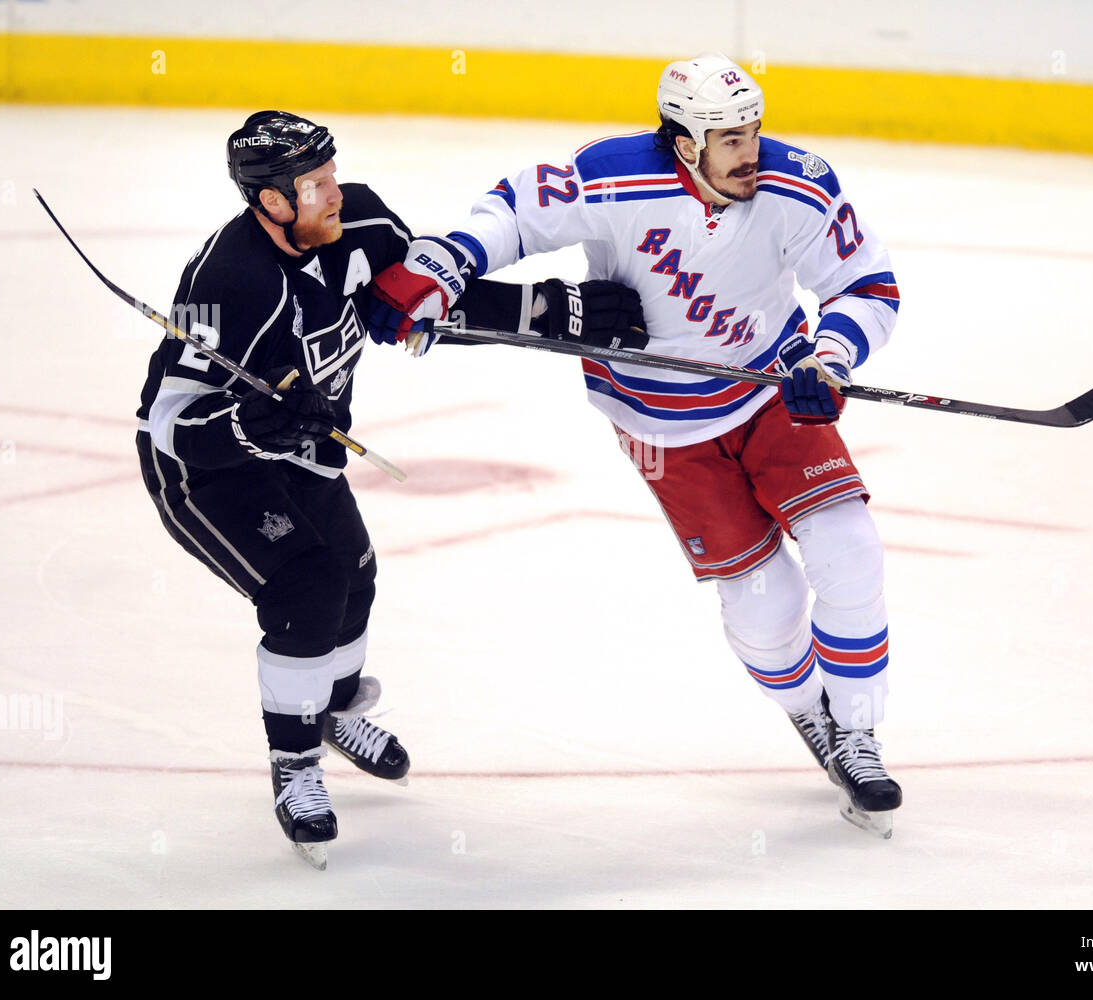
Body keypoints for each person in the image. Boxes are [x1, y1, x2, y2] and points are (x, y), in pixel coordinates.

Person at [368, 55, 904, 837]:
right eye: (729, 138)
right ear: (684, 143)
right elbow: (514, 211)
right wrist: (448, 262)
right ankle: (807, 713)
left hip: (773, 388)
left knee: (849, 548)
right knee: (766, 603)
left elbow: (868, 285)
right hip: (663, 424)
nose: (751, 148)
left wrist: (831, 356)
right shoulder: (615, 176)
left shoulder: (801, 184)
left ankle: (856, 730)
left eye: (753, 129)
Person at [135, 111, 647, 867]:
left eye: (330, 173)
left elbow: (421, 302)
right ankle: (295, 765)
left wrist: (554, 309)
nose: (333, 193)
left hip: (302, 450)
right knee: (307, 592)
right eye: (312, 185)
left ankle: (335, 711)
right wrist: (251, 425)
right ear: (269, 201)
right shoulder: (228, 282)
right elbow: (172, 423)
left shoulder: (363, 220)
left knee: (357, 579)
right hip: (207, 472)